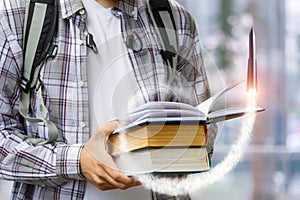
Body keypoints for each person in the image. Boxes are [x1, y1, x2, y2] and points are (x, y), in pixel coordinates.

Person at [0, 0, 216, 199]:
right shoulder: (15, 16)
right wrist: (77, 161)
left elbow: (203, 121)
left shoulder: (174, 18)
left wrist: (184, 152)